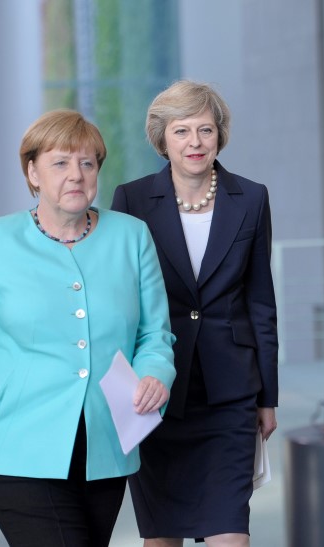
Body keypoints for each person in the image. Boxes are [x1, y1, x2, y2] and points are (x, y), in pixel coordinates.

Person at [0, 109, 177, 547]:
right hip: (15, 448)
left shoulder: (132, 237)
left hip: (105, 449)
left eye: (87, 163)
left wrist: (155, 373)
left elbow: (155, 335)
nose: (76, 174)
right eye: (60, 162)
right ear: (32, 173)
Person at [111, 80, 278, 547]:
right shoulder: (132, 200)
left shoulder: (252, 198)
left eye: (205, 130)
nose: (195, 142)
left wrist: (268, 396)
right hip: (157, 392)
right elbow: (122, 302)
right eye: (182, 131)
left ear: (220, 135)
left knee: (231, 534)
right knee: (162, 539)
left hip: (232, 392)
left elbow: (261, 301)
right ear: (162, 139)